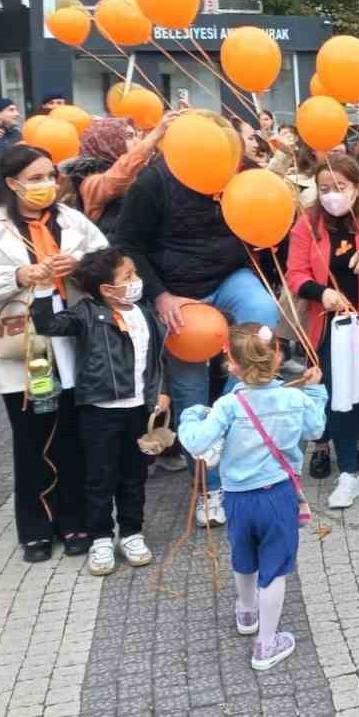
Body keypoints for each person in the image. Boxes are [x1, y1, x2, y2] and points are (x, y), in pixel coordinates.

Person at [118, 111, 283, 526]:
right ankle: (207, 487)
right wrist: (160, 296)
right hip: (179, 295)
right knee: (190, 389)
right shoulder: (154, 182)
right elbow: (127, 244)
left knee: (263, 314)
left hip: (229, 276)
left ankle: (234, 399)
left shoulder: (239, 172)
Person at [0, 145, 106, 560]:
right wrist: (17, 274)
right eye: (35, 178)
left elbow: (107, 261)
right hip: (24, 341)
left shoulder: (72, 220)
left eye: (50, 176)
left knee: (71, 433)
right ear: (13, 183)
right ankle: (35, 527)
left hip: (70, 337)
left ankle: (74, 521)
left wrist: (80, 265)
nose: (46, 185)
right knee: (31, 435)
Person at [178, 322, 327, 673]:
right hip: (278, 496)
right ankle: (266, 643)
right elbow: (316, 429)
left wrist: (188, 415)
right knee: (274, 568)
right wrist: (318, 392)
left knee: (243, 555)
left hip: (236, 499)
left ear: (232, 366)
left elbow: (198, 442)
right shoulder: (295, 398)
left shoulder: (228, 405)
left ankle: (247, 612)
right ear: (277, 357)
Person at [27, 248, 166, 577]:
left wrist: (161, 392)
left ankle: (132, 533)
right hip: (99, 412)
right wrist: (45, 289)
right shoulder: (85, 314)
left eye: (135, 274)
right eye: (128, 276)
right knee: (100, 478)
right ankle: (101, 537)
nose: (136, 281)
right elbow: (47, 324)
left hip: (138, 411)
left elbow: (157, 359)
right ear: (106, 289)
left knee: (135, 476)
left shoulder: (145, 314)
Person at [287, 153, 359, 508]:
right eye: (324, 188)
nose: (331, 195)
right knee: (338, 400)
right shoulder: (308, 224)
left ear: (356, 188)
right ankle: (349, 472)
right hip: (330, 328)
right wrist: (321, 293)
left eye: (340, 187)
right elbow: (295, 275)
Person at [74, 112, 174, 232]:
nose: (137, 142)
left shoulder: (141, 170)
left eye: (137, 135)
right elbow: (120, 175)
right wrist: (156, 134)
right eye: (129, 136)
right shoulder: (88, 181)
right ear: (107, 141)